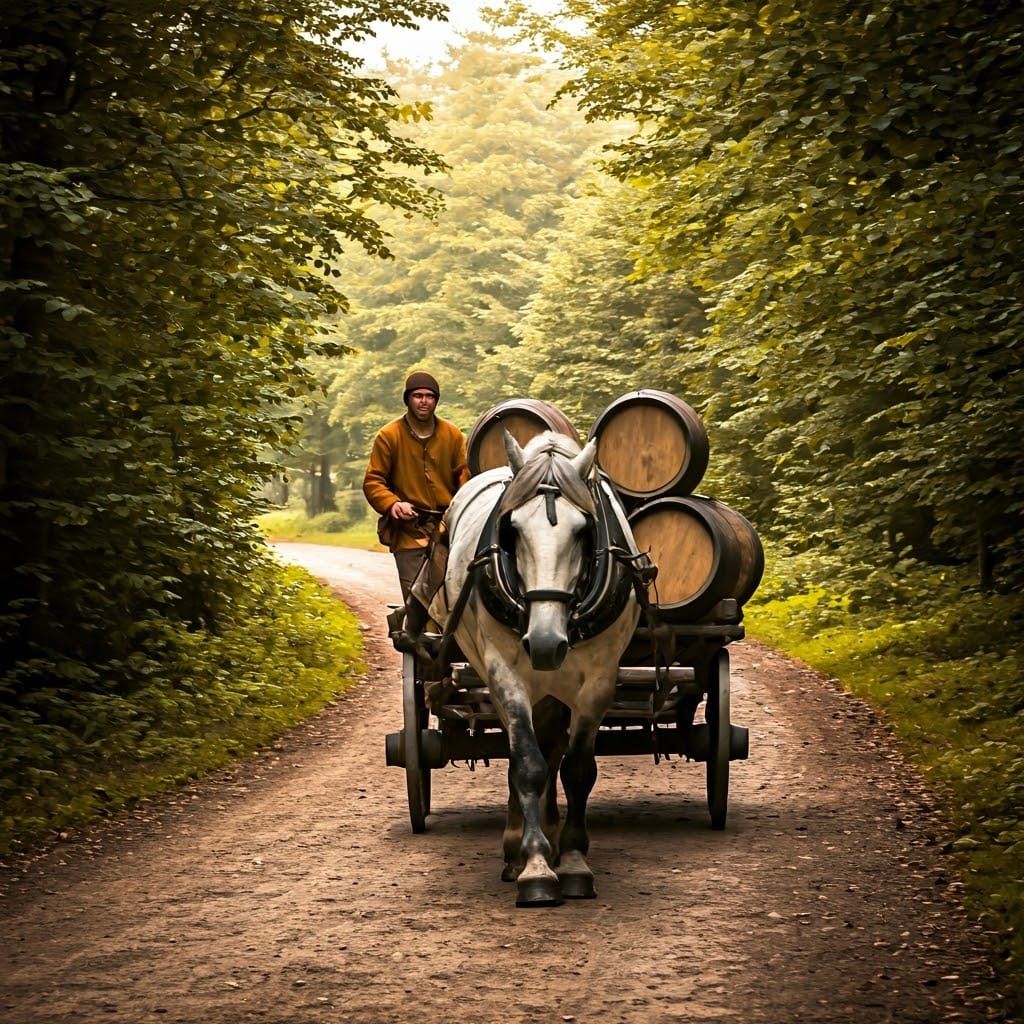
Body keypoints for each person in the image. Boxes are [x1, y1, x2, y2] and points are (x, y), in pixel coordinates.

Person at [362, 371, 470, 651]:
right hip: (409, 531)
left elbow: (464, 475)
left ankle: (461, 642)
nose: (424, 401)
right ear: (408, 399)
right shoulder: (389, 435)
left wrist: (461, 508)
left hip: (447, 528)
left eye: (429, 396)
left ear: (436, 401)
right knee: (418, 596)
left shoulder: (453, 434)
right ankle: (415, 635)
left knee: (459, 590)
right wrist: (392, 504)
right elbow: (374, 480)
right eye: (418, 396)